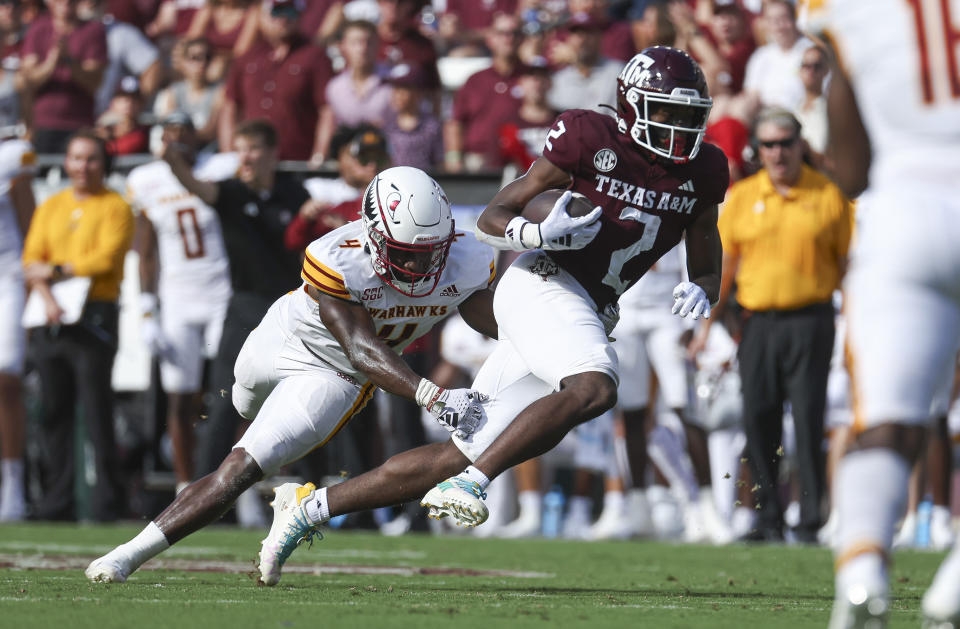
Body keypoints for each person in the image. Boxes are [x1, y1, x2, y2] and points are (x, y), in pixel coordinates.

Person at [229, 47, 724, 588]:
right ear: (632, 104)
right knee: (595, 387)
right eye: (666, 112)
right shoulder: (589, 136)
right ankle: (476, 483)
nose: (677, 128)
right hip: (543, 284)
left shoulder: (705, 171)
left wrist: (704, 287)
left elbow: (706, 251)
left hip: (588, 308)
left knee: (460, 449)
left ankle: (306, 509)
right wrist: (536, 233)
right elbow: (494, 213)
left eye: (687, 116)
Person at [84, 166, 498, 583]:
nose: (418, 264)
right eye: (403, 251)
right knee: (240, 403)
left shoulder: (469, 259)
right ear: (372, 235)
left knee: (244, 465)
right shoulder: (337, 256)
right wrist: (432, 395)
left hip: (336, 376)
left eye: (429, 251)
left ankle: (126, 555)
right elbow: (359, 343)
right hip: (283, 340)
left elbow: (492, 324)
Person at [819, 1, 960, 626]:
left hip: (903, 217)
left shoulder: (858, 10)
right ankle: (950, 591)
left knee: (888, 421)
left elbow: (849, 170)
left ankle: (861, 570)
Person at [701, 107, 852, 542]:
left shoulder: (828, 194)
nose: (778, 152)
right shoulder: (744, 196)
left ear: (800, 144)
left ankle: (810, 519)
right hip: (757, 321)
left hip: (812, 318)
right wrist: (706, 327)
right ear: (758, 149)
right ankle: (766, 517)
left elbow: (847, 266)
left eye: (786, 142)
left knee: (808, 419)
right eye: (769, 143)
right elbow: (724, 267)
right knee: (759, 417)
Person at [158, 119, 307, 515]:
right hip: (243, 308)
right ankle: (203, 501)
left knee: (301, 401)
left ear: (273, 154)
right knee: (223, 401)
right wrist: (173, 160)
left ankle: (309, 496)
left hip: (292, 310)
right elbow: (195, 186)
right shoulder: (228, 192)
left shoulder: (296, 194)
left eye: (254, 148)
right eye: (241, 148)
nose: (246, 157)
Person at [21, 130, 134, 521]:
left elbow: (105, 259)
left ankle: (106, 500)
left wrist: (55, 270)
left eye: (91, 159)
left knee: (96, 409)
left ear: (104, 164)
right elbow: (30, 258)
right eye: (75, 158)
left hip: (94, 314)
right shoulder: (51, 205)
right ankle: (56, 499)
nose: (82, 167)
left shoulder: (115, 206)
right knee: (52, 411)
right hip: (51, 315)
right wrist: (50, 296)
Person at [125, 113, 232, 494]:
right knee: (180, 397)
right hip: (177, 296)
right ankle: (186, 487)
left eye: (183, 131)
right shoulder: (145, 179)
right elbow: (147, 251)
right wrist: (147, 310)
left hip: (222, 293)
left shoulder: (218, 167)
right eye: (170, 132)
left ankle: (239, 488)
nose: (177, 139)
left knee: (234, 393)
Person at [220, 0, 333, 162]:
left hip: (297, 163)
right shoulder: (247, 58)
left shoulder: (315, 57)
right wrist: (228, 153)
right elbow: (230, 107)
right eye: (276, 12)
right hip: (252, 164)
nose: (283, 19)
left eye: (290, 12)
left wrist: (319, 155)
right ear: (261, 15)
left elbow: (327, 110)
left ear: (300, 15)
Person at [19, 0, 108, 153]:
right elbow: (28, 79)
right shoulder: (38, 29)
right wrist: (52, 61)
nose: (65, 2)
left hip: (80, 123)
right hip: (42, 123)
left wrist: (69, 61)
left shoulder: (93, 30)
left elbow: (94, 82)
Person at [0, 136, 35, 521]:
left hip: (7, 275)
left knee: (7, 377)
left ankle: (13, 482)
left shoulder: (10, 155)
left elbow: (31, 225)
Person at [445, 12, 525, 173]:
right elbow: (455, 123)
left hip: (522, 161)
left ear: (522, 39)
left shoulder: (532, 78)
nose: (508, 39)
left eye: (514, 33)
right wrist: (454, 159)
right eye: (502, 33)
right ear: (490, 39)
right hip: (477, 161)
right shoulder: (475, 81)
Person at [546, 12, 622, 113]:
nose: (582, 39)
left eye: (588, 33)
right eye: (577, 34)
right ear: (568, 39)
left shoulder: (619, 72)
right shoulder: (559, 80)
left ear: (600, 37)